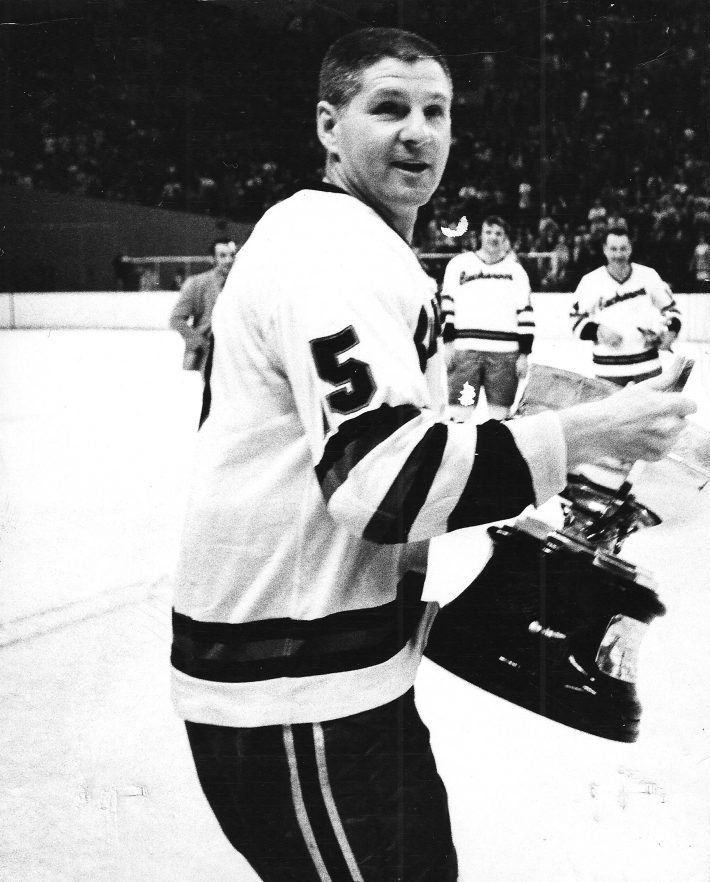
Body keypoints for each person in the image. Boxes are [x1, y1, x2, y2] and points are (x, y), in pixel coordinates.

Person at [171, 28, 695, 882]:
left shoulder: (352, 242)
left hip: (335, 679)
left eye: (436, 111)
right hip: (298, 691)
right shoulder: (330, 248)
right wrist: (591, 433)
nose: (418, 131)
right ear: (328, 125)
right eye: (388, 108)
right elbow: (384, 486)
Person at [441, 215, 535, 420]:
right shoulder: (459, 264)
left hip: (504, 354)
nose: (493, 237)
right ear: (480, 235)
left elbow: (526, 314)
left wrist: (524, 355)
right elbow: (447, 307)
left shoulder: (516, 272)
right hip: (466, 352)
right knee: (460, 415)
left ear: (505, 238)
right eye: (489, 232)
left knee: (499, 418)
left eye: (498, 233)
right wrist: (448, 345)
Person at [570, 226, 682, 385]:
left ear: (630, 249)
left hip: (648, 367)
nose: (618, 255)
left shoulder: (648, 275)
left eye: (623, 249)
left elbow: (672, 310)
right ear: (604, 250)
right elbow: (574, 321)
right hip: (608, 371)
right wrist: (597, 330)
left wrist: (670, 332)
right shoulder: (591, 281)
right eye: (613, 249)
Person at [169, 237, 237, 376]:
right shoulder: (198, 283)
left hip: (237, 356)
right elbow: (176, 319)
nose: (229, 260)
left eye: (232, 255)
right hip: (209, 357)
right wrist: (198, 342)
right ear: (212, 259)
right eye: (222, 256)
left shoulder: (242, 285)